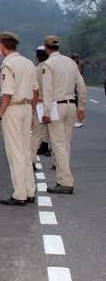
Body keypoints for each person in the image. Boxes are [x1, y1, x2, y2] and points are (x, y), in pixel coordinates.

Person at [0, 32, 37, 205]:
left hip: (13, 109)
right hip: (26, 108)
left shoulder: (8, 65)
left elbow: (7, 95)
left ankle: (19, 194)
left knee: (15, 153)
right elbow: (35, 92)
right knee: (25, 151)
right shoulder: (28, 63)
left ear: (3, 46)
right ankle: (29, 190)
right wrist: (32, 113)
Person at [41, 36, 88, 194]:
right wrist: (81, 107)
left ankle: (65, 182)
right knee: (66, 144)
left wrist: (46, 112)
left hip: (56, 107)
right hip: (71, 106)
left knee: (58, 145)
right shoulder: (70, 62)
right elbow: (81, 86)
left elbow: (47, 90)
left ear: (46, 48)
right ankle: (63, 177)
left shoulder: (48, 64)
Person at [31, 46, 50, 167]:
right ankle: (56, 162)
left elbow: (32, 90)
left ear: (37, 56)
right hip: (53, 104)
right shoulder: (53, 68)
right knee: (55, 135)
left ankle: (32, 161)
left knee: (36, 134)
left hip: (39, 103)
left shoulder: (35, 70)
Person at [70, 53, 86, 128]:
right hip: (71, 83)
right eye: (74, 58)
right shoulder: (69, 64)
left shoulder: (80, 63)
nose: (75, 59)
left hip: (78, 81)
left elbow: (81, 72)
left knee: (78, 96)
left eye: (76, 58)